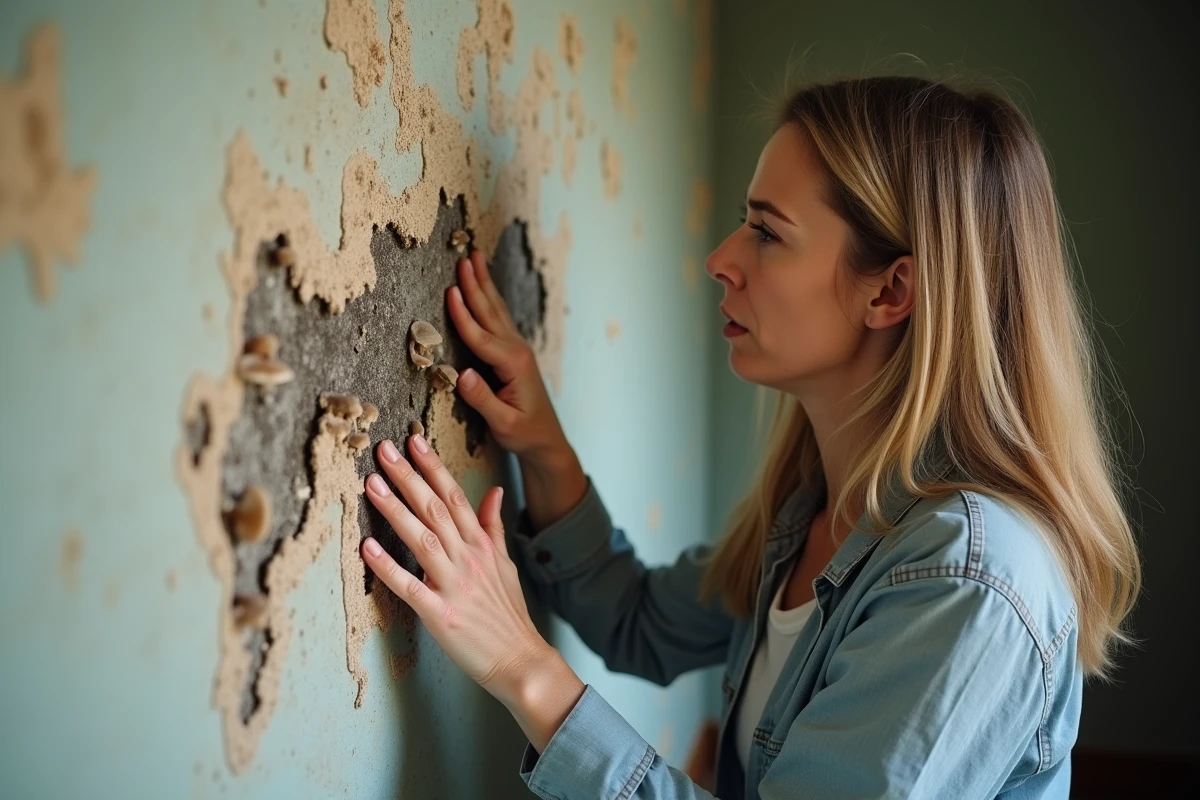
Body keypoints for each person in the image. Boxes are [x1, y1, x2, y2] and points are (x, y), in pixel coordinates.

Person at [356, 75, 1140, 799]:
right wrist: (543, 446)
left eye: (766, 232)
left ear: (890, 290)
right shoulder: (818, 512)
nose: (720, 260)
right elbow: (638, 622)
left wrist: (522, 666)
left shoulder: (970, 584)